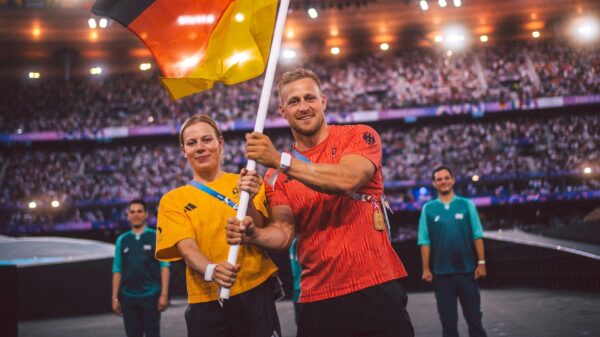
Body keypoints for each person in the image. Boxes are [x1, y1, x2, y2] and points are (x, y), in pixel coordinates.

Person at [226, 68, 414, 337]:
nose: (303, 107)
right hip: (317, 296)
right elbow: (282, 233)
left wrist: (281, 160)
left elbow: (348, 178)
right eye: (294, 101)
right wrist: (253, 232)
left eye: (309, 98)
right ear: (283, 111)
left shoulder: (359, 135)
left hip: (375, 285)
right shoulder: (274, 177)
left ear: (323, 101)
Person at [155, 114, 281, 337]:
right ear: (183, 150)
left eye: (207, 140)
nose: (200, 148)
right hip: (206, 298)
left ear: (220, 143)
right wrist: (212, 270)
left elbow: (260, 229)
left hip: (254, 289)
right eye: (192, 143)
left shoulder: (247, 181)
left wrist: (249, 198)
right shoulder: (173, 200)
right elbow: (187, 248)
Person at [418, 166, 487, 337]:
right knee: (448, 323)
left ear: (453, 180)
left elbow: (477, 234)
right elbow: (424, 240)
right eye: (439, 179)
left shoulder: (467, 205)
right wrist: (426, 269)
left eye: (446, 177)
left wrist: (482, 262)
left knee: (474, 320)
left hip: (467, 272)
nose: (443, 181)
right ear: (434, 184)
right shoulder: (428, 208)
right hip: (442, 275)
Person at [112, 199, 170, 337]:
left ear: (146, 214)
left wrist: (164, 295)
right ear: (128, 216)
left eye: (139, 211)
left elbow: (164, 266)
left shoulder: (156, 236)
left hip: (151, 295)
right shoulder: (122, 239)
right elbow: (117, 269)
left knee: (152, 334)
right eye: (132, 212)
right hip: (128, 297)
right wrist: (114, 298)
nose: (136, 214)